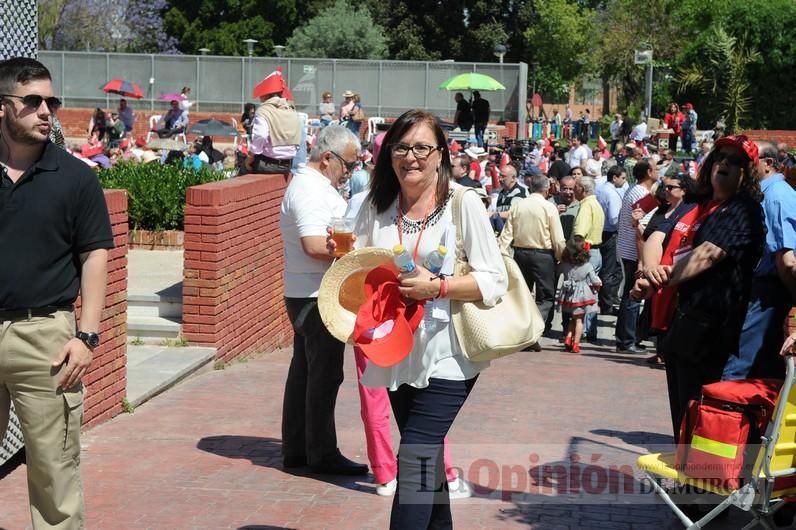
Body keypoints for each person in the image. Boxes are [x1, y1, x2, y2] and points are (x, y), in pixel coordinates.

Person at [340, 109, 506, 529]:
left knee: (414, 452)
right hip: (394, 349)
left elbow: (494, 280)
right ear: (388, 154)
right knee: (425, 454)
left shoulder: (463, 204)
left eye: (421, 147)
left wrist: (441, 287)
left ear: (440, 155)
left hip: (449, 350)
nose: (410, 156)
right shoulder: (377, 207)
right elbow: (359, 267)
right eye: (401, 147)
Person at [0, 57, 114, 529]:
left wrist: (86, 337)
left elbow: (95, 256)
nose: (46, 111)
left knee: (53, 472)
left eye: (52, 101)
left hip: (45, 338)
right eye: (32, 101)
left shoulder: (76, 178)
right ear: (3, 108)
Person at [633, 135, 764, 438]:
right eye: (720, 157)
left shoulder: (744, 210)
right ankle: (685, 474)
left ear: (747, 172)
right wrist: (650, 279)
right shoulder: (698, 202)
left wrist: (659, 278)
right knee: (681, 414)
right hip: (681, 321)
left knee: (699, 412)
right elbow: (660, 235)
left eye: (735, 160)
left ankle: (697, 479)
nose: (725, 164)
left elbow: (707, 255)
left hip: (712, 327)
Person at [279, 125, 367, 476]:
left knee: (305, 371)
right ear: (327, 158)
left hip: (309, 291)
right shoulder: (311, 190)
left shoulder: (310, 186)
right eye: (348, 164)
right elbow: (314, 245)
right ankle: (321, 451)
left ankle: (299, 448)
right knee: (324, 374)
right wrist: (347, 250)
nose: (350, 172)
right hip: (315, 296)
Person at [721, 142, 796, 380]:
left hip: (767, 291)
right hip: (758, 289)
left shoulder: (777, 197)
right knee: (763, 365)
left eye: (746, 162)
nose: (739, 168)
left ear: (768, 164)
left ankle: (725, 414)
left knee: (739, 367)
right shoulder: (762, 194)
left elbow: (787, 260)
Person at [498, 172, 565, 336]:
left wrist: (501, 254)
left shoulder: (519, 206)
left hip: (520, 254)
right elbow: (557, 239)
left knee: (523, 294)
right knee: (546, 297)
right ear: (547, 189)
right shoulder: (549, 207)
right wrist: (560, 257)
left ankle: (521, 330)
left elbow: (506, 234)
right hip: (543, 255)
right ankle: (534, 332)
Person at [615, 160, 656, 353]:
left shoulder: (633, 190)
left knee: (629, 295)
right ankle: (626, 341)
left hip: (626, 249)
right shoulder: (641, 194)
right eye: (656, 168)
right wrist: (642, 260)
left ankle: (626, 338)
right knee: (633, 295)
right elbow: (640, 231)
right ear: (648, 172)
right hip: (633, 252)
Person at [246, 70, 300, 176]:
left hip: (268, 163)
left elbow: (260, 135)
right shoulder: (291, 109)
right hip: (288, 164)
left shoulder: (264, 110)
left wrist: (250, 156)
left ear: (266, 94)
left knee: (243, 168)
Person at [572, 176, 605, 342]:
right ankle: (590, 329)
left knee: (583, 294)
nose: (573, 190)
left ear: (582, 189)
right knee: (592, 294)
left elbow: (579, 234)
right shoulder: (596, 204)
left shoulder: (586, 206)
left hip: (587, 252)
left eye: (576, 187)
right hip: (596, 252)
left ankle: (583, 331)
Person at [558, 235, 602, 353]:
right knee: (579, 321)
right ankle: (576, 344)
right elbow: (594, 280)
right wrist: (599, 284)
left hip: (569, 294)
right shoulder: (587, 265)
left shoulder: (564, 264)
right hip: (582, 296)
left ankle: (568, 337)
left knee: (573, 318)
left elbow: (558, 272)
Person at [595, 166, 628, 314]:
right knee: (609, 270)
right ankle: (606, 305)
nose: (624, 181)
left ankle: (605, 299)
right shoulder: (612, 194)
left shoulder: (600, 189)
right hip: (610, 233)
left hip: (600, 231)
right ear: (614, 177)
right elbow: (614, 219)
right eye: (623, 178)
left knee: (606, 269)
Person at [491, 164, 526, 233]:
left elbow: (513, 214)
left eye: (503, 176)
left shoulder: (520, 192)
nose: (500, 179)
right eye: (499, 176)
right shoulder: (501, 193)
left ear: (513, 178)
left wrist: (493, 214)